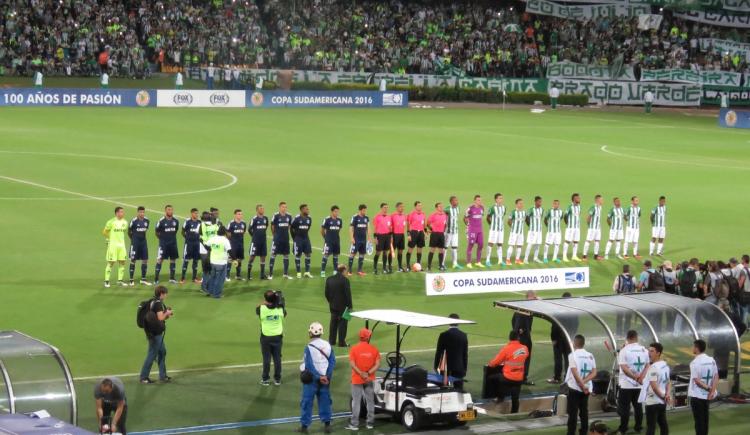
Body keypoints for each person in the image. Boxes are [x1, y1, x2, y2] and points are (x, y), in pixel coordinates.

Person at [298, 322, 335, 434]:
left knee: (307, 402)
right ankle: (327, 425)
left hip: (312, 380)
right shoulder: (328, 345)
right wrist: (326, 376)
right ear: (321, 333)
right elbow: (332, 362)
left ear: (310, 332)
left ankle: (304, 427)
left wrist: (319, 377)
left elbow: (309, 366)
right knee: (325, 401)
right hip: (325, 380)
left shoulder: (308, 347)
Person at [346, 328, 380, 431]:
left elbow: (352, 364)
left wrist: (360, 373)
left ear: (360, 337)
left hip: (357, 379)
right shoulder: (374, 349)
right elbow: (377, 364)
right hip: (369, 379)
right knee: (370, 401)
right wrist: (368, 373)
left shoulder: (354, 349)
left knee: (356, 402)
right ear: (368, 337)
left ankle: (354, 424)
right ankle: (370, 423)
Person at [616, 330, 649, 435]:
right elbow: (648, 365)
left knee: (625, 408)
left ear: (627, 338)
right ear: (636, 337)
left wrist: (634, 377)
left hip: (626, 384)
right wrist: (641, 377)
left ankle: (623, 428)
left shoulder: (624, 350)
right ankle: (638, 427)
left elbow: (624, 367)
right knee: (638, 406)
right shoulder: (644, 350)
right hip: (639, 384)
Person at [487, 330, 529, 413]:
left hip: (507, 377)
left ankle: (500, 397)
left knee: (491, 378)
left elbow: (494, 363)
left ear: (509, 338)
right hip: (519, 378)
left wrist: (490, 364)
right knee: (515, 398)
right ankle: (514, 414)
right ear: (518, 338)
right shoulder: (525, 348)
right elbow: (525, 355)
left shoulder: (506, 349)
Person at [139, 285, 173, 384]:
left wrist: (166, 314)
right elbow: (160, 318)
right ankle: (143, 377)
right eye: (165, 294)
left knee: (162, 351)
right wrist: (167, 313)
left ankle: (163, 375)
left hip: (152, 331)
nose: (166, 296)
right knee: (152, 354)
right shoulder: (158, 304)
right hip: (154, 333)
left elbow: (158, 317)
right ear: (162, 294)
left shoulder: (153, 301)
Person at [566, 334, 598, 435]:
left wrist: (581, 384)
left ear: (575, 343)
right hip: (586, 389)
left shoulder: (572, 355)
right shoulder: (590, 355)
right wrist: (584, 384)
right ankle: (583, 432)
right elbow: (594, 373)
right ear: (583, 343)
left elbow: (575, 373)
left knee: (573, 413)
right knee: (584, 412)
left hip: (575, 388)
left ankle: (571, 433)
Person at [640, 342, 671, 435]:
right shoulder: (665, 365)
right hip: (662, 401)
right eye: (649, 351)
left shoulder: (653, 367)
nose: (649, 353)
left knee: (651, 426)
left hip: (653, 401)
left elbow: (654, 386)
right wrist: (667, 395)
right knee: (663, 424)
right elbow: (669, 382)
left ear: (658, 353)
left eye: (652, 351)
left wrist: (663, 396)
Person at [257, 290, 286, 386]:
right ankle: (277, 379)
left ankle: (265, 379)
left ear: (265, 299)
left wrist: (265, 302)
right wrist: (277, 302)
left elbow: (258, 307)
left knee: (266, 359)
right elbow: (284, 313)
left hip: (266, 337)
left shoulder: (261, 309)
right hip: (277, 337)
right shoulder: (280, 309)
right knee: (277, 358)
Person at [689, 339, 718, 435]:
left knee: (699, 422)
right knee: (705, 421)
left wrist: (710, 389)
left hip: (697, 396)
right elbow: (716, 376)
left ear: (697, 348)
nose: (692, 348)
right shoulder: (711, 360)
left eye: (693, 346)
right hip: (707, 396)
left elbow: (697, 381)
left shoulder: (694, 363)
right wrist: (712, 391)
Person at [434, 313, 468, 390]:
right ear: (459, 322)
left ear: (448, 322)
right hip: (459, 365)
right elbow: (465, 353)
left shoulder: (443, 335)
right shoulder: (463, 335)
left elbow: (439, 352)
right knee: (459, 389)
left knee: (444, 387)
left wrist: (436, 366)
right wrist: (465, 368)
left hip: (446, 366)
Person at [548, 292, 573, 384]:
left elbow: (554, 326)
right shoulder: (574, 311)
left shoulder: (558, 310)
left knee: (558, 359)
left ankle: (557, 378)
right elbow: (576, 324)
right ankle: (567, 377)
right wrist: (572, 335)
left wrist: (553, 339)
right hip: (569, 339)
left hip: (559, 339)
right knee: (568, 359)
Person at [512, 290, 537, 384]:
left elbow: (513, 320)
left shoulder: (521, 306)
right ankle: (522, 377)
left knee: (519, 357)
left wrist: (516, 331)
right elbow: (516, 320)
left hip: (521, 336)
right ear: (530, 297)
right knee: (524, 358)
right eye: (534, 297)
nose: (535, 299)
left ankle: (519, 376)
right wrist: (519, 330)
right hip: (524, 337)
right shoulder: (525, 307)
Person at [325, 264, 352, 347]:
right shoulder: (345, 280)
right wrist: (350, 306)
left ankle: (332, 341)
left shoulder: (329, 279)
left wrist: (331, 301)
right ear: (343, 270)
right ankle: (341, 342)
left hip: (333, 305)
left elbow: (326, 293)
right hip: (344, 306)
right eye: (346, 271)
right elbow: (348, 295)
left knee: (333, 323)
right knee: (343, 324)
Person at [103, 207, 128, 288]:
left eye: (123, 212)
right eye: (121, 212)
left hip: (122, 245)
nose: (122, 213)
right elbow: (105, 232)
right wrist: (108, 239)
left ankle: (120, 281)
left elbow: (122, 233)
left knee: (122, 262)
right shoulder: (111, 222)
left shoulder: (125, 222)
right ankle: (106, 281)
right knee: (111, 262)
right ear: (116, 213)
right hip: (113, 245)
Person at [155, 205, 180, 284]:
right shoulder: (161, 221)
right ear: (165, 211)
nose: (170, 211)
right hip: (163, 244)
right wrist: (162, 239)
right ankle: (156, 279)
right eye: (168, 210)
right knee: (160, 260)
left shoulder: (176, 221)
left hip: (173, 244)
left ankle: (172, 278)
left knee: (173, 260)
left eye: (171, 210)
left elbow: (176, 230)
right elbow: (156, 232)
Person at [269, 202, 293, 280]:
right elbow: (272, 226)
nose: (284, 208)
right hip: (277, 239)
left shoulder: (289, 216)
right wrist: (275, 235)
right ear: (279, 207)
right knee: (273, 254)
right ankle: (270, 274)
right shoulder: (276, 215)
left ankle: (285, 274)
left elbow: (289, 226)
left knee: (286, 255)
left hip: (285, 239)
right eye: (283, 207)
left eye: (285, 207)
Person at [128, 206, 151, 286]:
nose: (142, 214)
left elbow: (145, 230)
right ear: (137, 212)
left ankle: (143, 279)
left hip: (143, 243)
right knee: (133, 260)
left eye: (143, 212)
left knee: (145, 260)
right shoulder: (133, 221)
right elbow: (129, 231)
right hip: (135, 243)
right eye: (140, 212)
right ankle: (131, 279)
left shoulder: (147, 221)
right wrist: (133, 239)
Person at [206, 227, 231, 298]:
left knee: (212, 277)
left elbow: (206, 245)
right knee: (220, 279)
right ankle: (216, 294)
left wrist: (212, 250)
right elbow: (230, 251)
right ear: (224, 233)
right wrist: (234, 259)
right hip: (221, 262)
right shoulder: (225, 240)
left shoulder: (213, 238)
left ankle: (210, 292)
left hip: (213, 261)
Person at [292, 204, 314, 279]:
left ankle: (307, 272)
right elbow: (292, 228)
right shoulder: (297, 218)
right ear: (302, 210)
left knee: (308, 254)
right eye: (306, 209)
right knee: (298, 255)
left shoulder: (309, 218)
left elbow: (308, 228)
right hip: (298, 239)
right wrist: (294, 238)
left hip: (306, 238)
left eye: (308, 209)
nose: (308, 210)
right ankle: (298, 272)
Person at [247, 204, 269, 280]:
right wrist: (254, 236)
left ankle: (262, 275)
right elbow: (249, 229)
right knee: (252, 257)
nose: (262, 210)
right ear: (257, 210)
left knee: (263, 257)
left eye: (263, 208)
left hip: (263, 241)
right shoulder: (254, 219)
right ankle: (249, 275)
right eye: (260, 208)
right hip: (255, 242)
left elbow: (266, 226)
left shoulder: (265, 218)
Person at [180, 208, 202, 284]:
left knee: (195, 261)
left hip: (197, 244)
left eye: (197, 213)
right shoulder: (187, 222)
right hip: (189, 244)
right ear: (191, 213)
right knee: (186, 261)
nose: (196, 214)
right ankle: (182, 278)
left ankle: (194, 278)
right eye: (195, 213)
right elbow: (182, 231)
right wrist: (187, 238)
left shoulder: (200, 222)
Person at [320, 205, 343, 277]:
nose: (337, 213)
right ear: (332, 212)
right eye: (335, 212)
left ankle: (335, 271)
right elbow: (322, 230)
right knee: (326, 255)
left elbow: (339, 229)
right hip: (328, 241)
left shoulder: (339, 220)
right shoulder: (327, 219)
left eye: (338, 212)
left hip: (336, 241)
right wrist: (326, 238)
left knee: (336, 256)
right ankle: (322, 271)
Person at [348, 204, 369, 276]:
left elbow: (368, 228)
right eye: (364, 210)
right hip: (356, 239)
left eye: (365, 210)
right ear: (360, 210)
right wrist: (351, 238)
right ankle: (349, 270)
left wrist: (369, 237)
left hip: (363, 240)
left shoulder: (366, 218)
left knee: (362, 254)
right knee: (352, 254)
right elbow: (351, 228)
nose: (365, 211)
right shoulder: (355, 217)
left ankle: (359, 270)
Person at [485, 193, 506, 267]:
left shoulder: (504, 208)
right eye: (499, 198)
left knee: (500, 244)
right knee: (490, 244)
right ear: (496, 199)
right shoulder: (492, 208)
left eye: (501, 198)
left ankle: (500, 261)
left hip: (501, 229)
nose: (501, 200)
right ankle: (487, 260)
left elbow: (502, 216)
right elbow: (487, 217)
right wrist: (492, 225)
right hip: (494, 230)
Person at [464, 195, 485, 268]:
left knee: (481, 245)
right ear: (475, 201)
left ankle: (478, 262)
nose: (480, 201)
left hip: (480, 230)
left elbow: (481, 216)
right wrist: (467, 227)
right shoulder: (470, 209)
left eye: (480, 200)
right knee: (471, 245)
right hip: (472, 230)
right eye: (478, 200)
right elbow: (465, 218)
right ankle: (468, 262)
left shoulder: (482, 208)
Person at [426, 202, 447, 271]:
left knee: (441, 250)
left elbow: (445, 224)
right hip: (434, 234)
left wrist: (443, 230)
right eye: (439, 206)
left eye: (442, 206)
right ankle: (429, 266)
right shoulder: (433, 215)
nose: (441, 208)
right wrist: (431, 229)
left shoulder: (445, 215)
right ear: (436, 208)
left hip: (441, 234)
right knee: (432, 249)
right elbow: (428, 223)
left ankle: (440, 265)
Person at [227, 209, 247, 281]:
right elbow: (228, 234)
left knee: (239, 259)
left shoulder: (243, 223)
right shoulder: (231, 223)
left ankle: (238, 275)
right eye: (238, 214)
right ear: (235, 215)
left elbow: (243, 232)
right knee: (230, 259)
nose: (240, 215)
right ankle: (227, 276)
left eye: (241, 214)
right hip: (233, 245)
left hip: (240, 244)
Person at [372, 203, 392, 275]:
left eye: (387, 207)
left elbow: (390, 227)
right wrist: (375, 238)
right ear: (381, 208)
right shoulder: (377, 217)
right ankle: (375, 268)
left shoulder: (389, 217)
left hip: (387, 236)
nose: (386, 209)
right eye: (384, 207)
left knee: (385, 252)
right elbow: (375, 228)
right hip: (380, 236)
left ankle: (384, 268)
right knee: (378, 252)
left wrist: (391, 236)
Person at [582, 195, 603, 261]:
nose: (602, 201)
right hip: (592, 228)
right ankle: (584, 256)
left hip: (598, 228)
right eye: (601, 200)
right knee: (588, 241)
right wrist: (590, 226)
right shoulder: (593, 207)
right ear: (597, 200)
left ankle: (596, 255)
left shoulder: (600, 207)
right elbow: (588, 217)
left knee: (597, 241)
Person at [406, 201, 427, 270]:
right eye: (418, 205)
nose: (420, 207)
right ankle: (408, 265)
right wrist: (408, 234)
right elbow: (408, 224)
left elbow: (424, 225)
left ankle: (418, 265)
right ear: (415, 206)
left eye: (420, 205)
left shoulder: (423, 214)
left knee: (419, 249)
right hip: (413, 232)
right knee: (410, 249)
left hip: (421, 233)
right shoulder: (412, 214)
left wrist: (425, 233)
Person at [524, 196, 544, 264]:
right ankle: (525, 259)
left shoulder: (542, 209)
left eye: (541, 201)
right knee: (530, 244)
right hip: (532, 230)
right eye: (539, 201)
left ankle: (535, 258)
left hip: (539, 230)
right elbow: (526, 218)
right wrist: (531, 226)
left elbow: (540, 218)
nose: (540, 203)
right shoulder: (531, 209)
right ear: (535, 202)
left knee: (538, 244)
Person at [506, 198, 526, 265]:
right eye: (520, 203)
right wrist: (513, 228)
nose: (521, 205)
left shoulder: (524, 212)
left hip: (521, 232)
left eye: (522, 203)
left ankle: (517, 259)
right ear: (516, 204)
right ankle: (508, 260)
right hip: (514, 232)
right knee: (511, 245)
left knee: (519, 246)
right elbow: (509, 221)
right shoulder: (513, 212)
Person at [563, 193, 582, 262]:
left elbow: (578, 215)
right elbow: (565, 216)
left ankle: (574, 256)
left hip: (577, 227)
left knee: (576, 241)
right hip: (570, 228)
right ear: (574, 199)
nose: (579, 199)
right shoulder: (570, 207)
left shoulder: (579, 206)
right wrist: (568, 224)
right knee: (567, 241)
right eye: (577, 198)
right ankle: (564, 256)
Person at [444, 196, 463, 269]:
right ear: (451, 202)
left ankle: (455, 263)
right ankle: (442, 263)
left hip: (455, 231)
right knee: (445, 248)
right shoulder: (447, 209)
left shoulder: (458, 208)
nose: (457, 201)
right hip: (448, 232)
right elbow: (442, 216)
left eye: (457, 200)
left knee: (454, 248)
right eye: (455, 200)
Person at [544, 199, 563, 263]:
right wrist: (549, 227)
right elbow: (545, 220)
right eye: (555, 204)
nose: (556, 205)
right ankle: (545, 257)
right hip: (550, 232)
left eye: (557, 204)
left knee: (557, 244)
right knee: (547, 244)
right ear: (553, 204)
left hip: (558, 232)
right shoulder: (549, 211)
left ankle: (554, 258)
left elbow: (560, 219)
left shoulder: (560, 211)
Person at [390, 202, 407, 272]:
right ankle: (389, 266)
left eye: (402, 207)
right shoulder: (393, 215)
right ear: (397, 207)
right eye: (400, 207)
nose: (402, 208)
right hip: (394, 235)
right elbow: (390, 226)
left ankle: (400, 266)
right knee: (392, 251)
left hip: (401, 235)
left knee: (400, 251)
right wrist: (391, 236)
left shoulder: (404, 215)